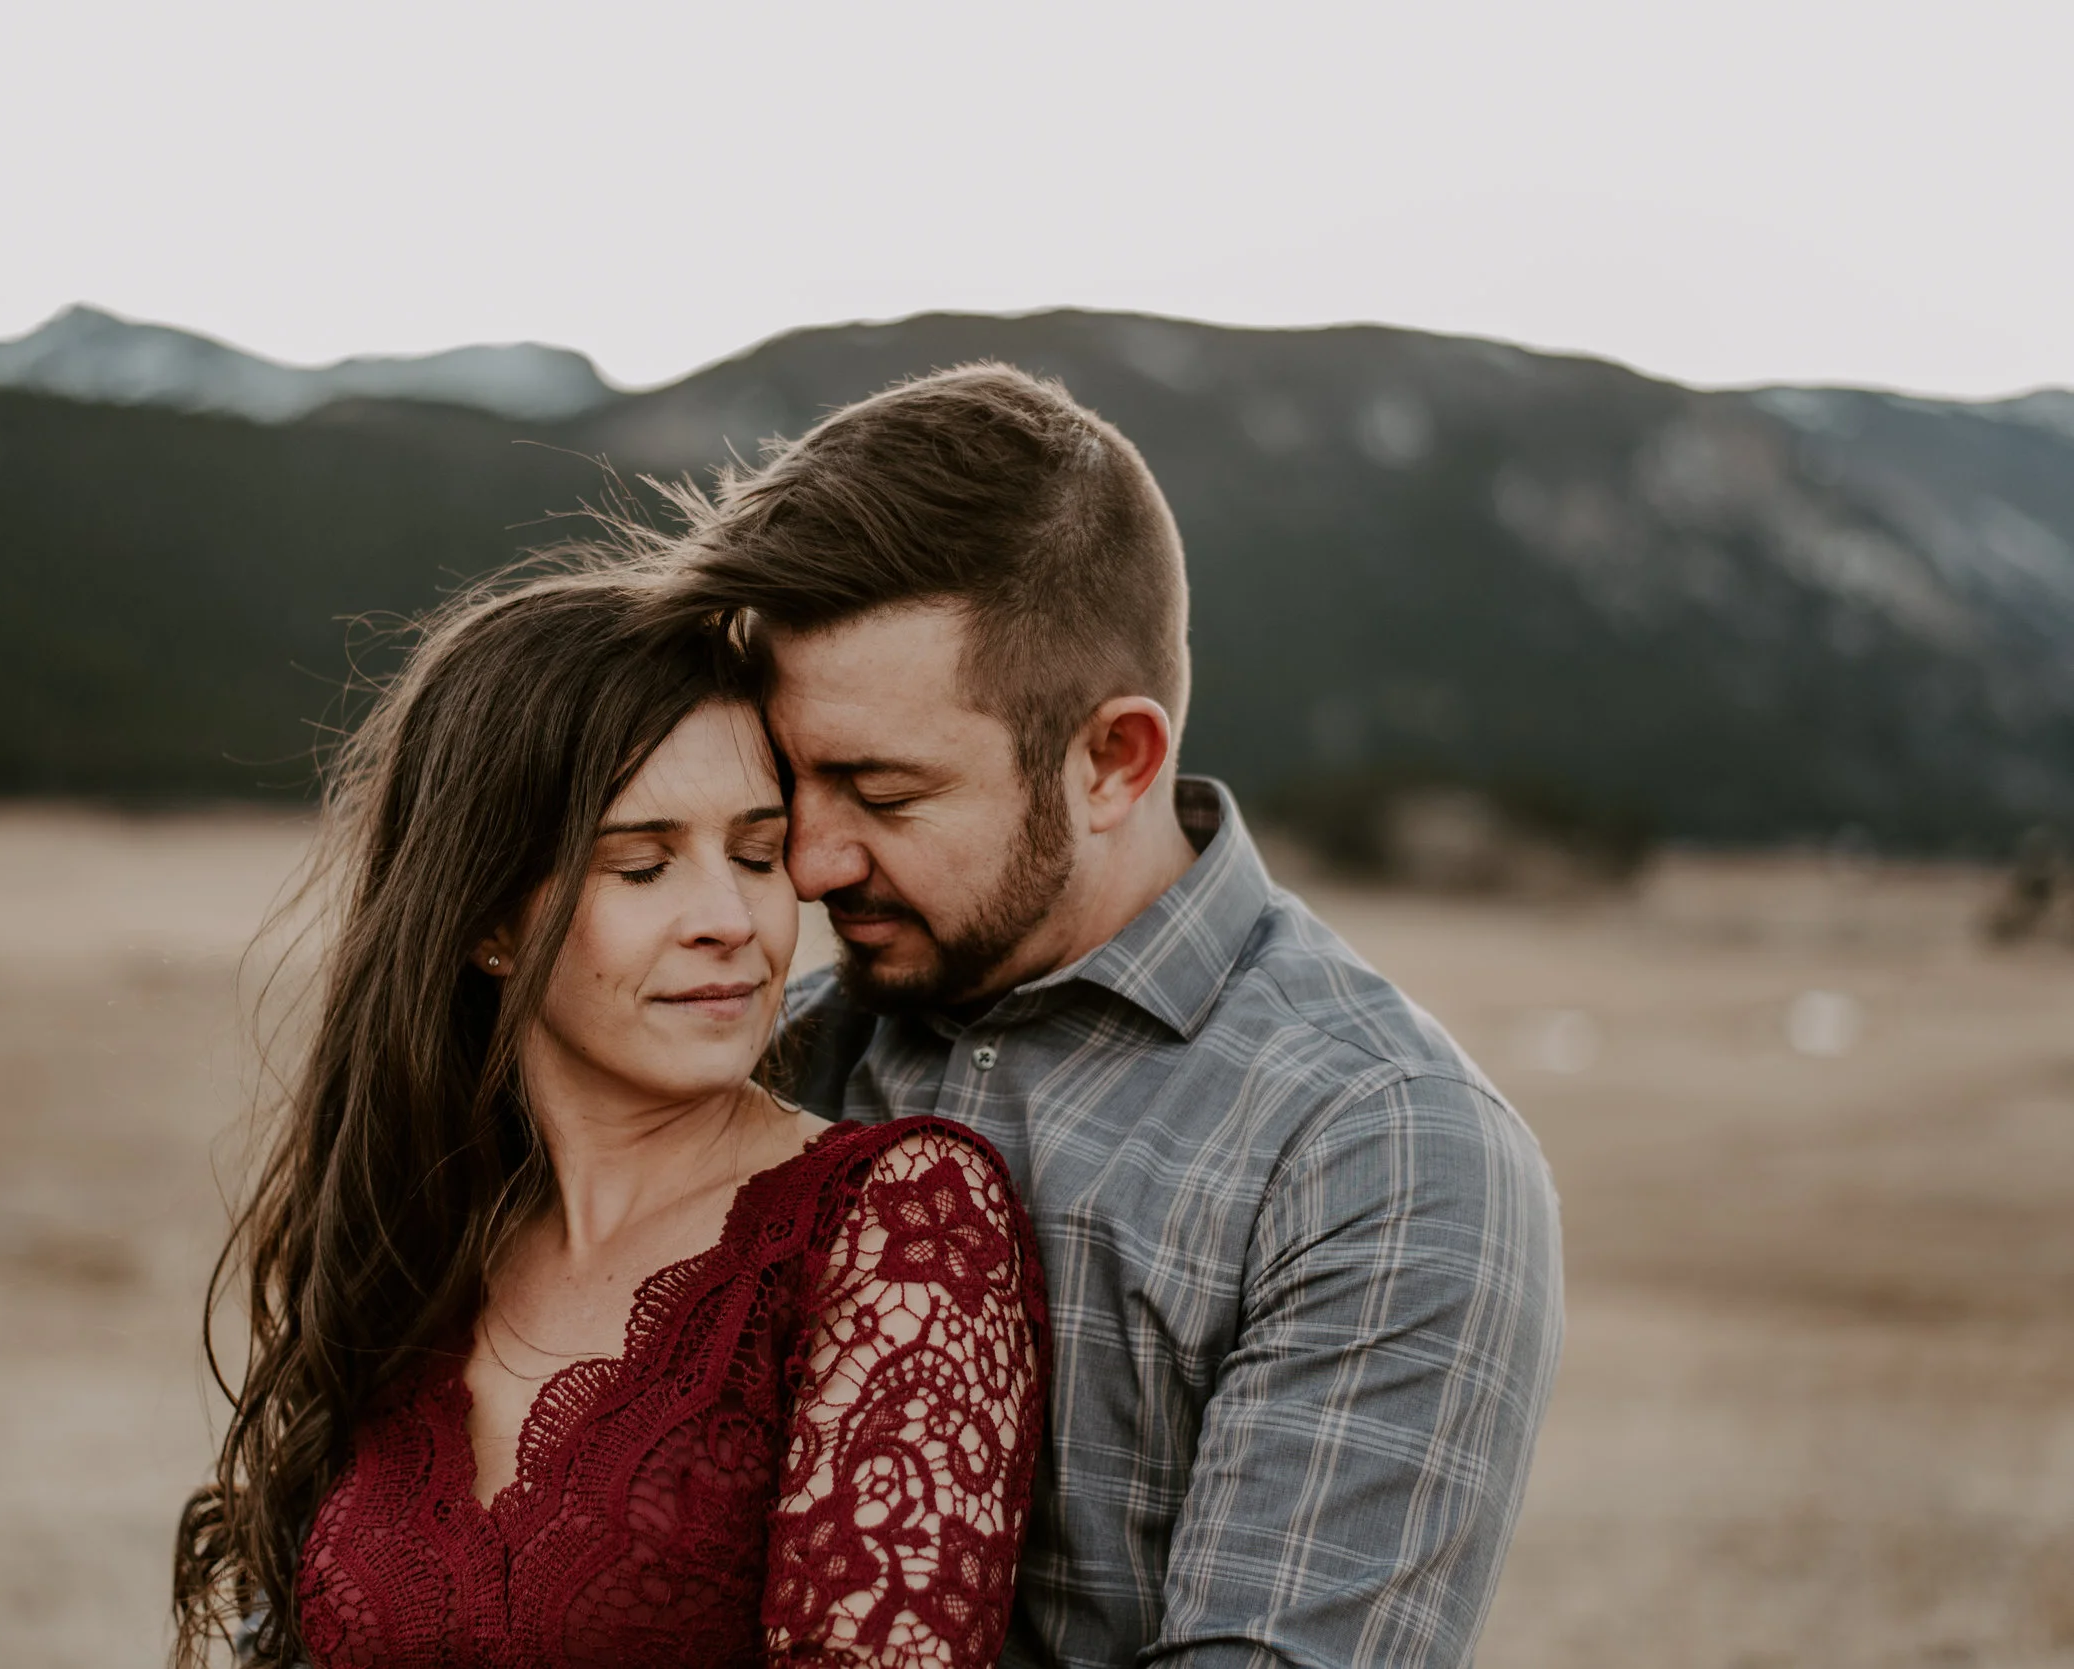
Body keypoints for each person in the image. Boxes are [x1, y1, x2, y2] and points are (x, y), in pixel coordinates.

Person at [652, 365, 1565, 1669]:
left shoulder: (1376, 1146)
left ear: (1112, 761)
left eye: (882, 791)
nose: (808, 864)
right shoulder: (777, 1047)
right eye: (791, 781)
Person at [172, 569, 1048, 1669]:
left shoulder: (895, 1225)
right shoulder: (420, 1233)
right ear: (489, 919)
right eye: (641, 865)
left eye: (756, 854)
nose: (730, 921)